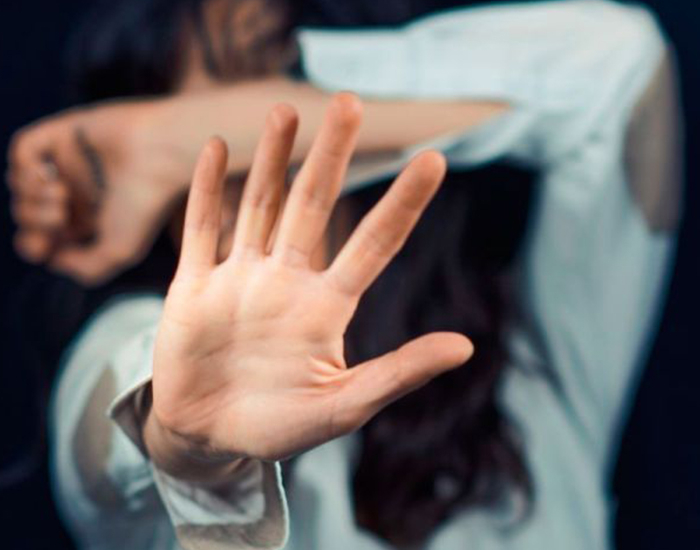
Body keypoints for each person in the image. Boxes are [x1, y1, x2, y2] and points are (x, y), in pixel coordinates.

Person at [6, 1, 682, 549]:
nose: (242, 162)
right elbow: (106, 444)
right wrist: (180, 440)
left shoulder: (529, 375)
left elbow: (618, 69)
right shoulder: (132, 342)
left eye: (258, 95)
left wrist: (167, 140)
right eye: (184, 117)